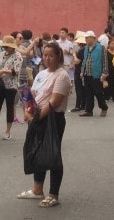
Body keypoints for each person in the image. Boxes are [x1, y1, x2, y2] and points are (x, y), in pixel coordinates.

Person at [18, 42, 71, 208]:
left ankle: (53, 194)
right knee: (37, 151)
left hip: (52, 118)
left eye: (51, 55)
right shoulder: (41, 73)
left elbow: (54, 102)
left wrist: (36, 117)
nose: (47, 58)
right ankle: (37, 189)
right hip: (37, 116)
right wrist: (27, 111)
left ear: (58, 57)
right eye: (45, 55)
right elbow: (32, 96)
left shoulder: (62, 76)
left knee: (52, 153)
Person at [79, 30, 108, 117]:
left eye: (87, 38)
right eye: (85, 38)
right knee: (88, 93)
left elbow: (105, 61)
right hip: (87, 74)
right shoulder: (86, 48)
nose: (86, 40)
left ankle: (104, 107)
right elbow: (85, 60)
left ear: (93, 38)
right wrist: (82, 71)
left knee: (98, 92)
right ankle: (89, 110)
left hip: (96, 74)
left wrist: (105, 72)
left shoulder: (101, 47)